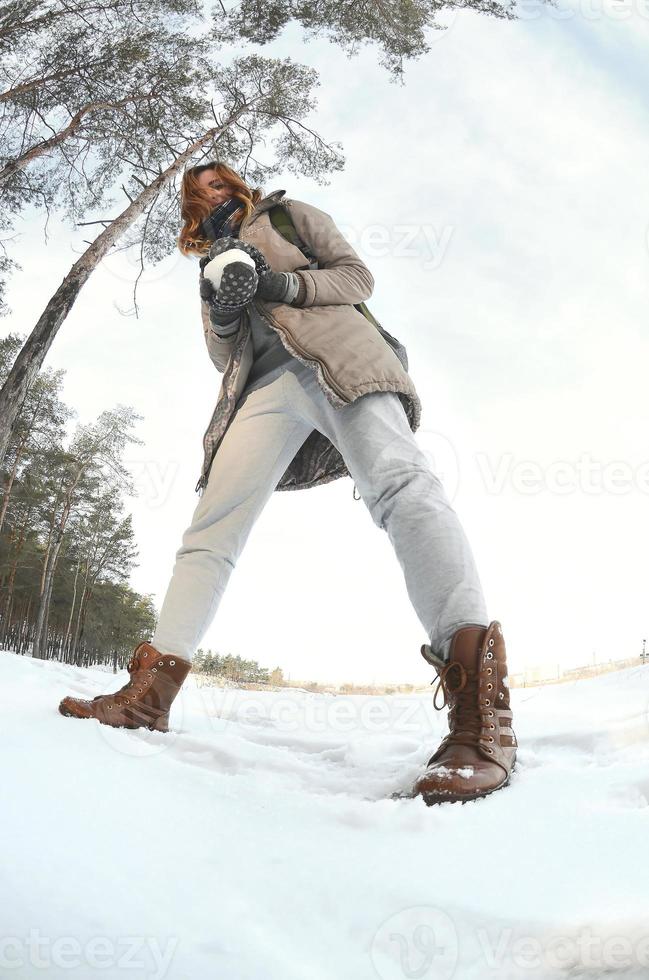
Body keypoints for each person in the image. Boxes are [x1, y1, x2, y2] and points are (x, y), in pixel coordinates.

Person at [58, 162, 517, 805]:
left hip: (340, 355)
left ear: (237, 185)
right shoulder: (207, 264)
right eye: (197, 192)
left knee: (402, 490)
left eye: (217, 182)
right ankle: (148, 696)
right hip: (264, 390)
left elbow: (357, 278)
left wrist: (275, 281)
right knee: (210, 530)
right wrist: (223, 311)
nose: (208, 193)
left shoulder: (286, 215)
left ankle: (481, 720)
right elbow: (226, 359)